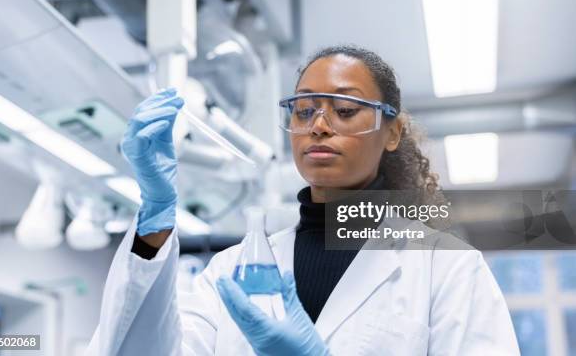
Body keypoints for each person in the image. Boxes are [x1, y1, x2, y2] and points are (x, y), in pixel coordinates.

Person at [86, 45, 520, 355]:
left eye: (345, 110)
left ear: (392, 133)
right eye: (304, 110)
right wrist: (155, 218)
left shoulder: (446, 268)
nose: (319, 126)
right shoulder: (234, 269)